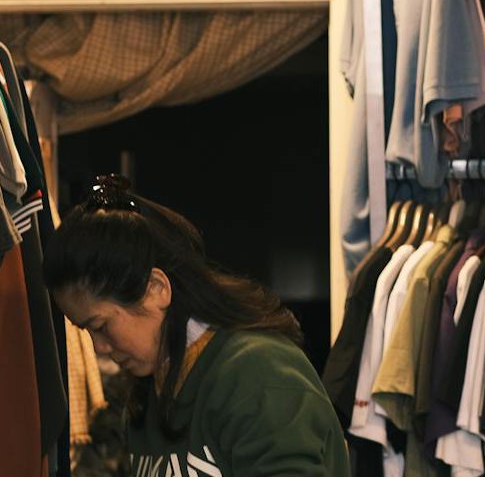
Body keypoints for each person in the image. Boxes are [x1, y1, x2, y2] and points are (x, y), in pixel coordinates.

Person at [45, 175, 349, 477]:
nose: (99, 346)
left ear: (155, 288)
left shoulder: (257, 373)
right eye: (86, 331)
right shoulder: (151, 388)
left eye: (101, 325)